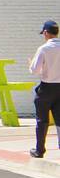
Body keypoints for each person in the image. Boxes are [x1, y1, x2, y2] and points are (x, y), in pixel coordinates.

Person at [29, 19, 60, 157]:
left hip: (46, 87)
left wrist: (31, 64)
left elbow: (35, 70)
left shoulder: (43, 49)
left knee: (42, 119)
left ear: (46, 33)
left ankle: (39, 149)